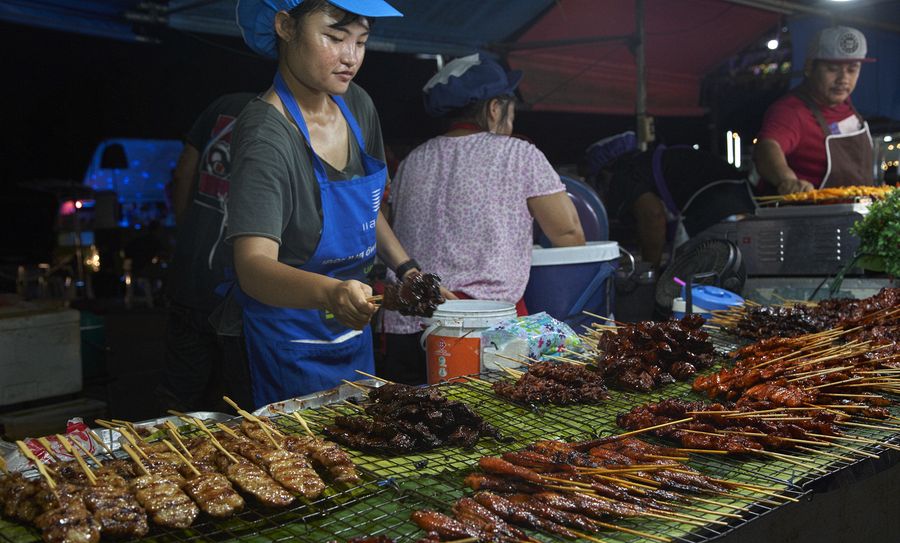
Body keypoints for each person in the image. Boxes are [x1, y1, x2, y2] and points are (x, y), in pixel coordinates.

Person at [219, 0, 412, 408]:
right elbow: (253, 267)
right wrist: (332, 293)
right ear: (285, 26)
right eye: (334, 37)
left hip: (351, 330)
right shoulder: (266, 133)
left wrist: (406, 268)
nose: (351, 58)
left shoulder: (357, 104)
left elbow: (367, 208)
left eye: (361, 42)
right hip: (287, 341)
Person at [380, 53, 585, 385]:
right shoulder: (518, 154)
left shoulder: (412, 161)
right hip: (487, 332)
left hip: (409, 323)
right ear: (494, 108)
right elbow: (570, 234)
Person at [156, 93, 255, 414]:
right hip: (242, 290)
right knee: (240, 407)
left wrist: (187, 231)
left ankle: (166, 458)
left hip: (191, 277)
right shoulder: (293, 115)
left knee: (179, 402)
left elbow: (183, 171)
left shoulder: (221, 105)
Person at [584, 131, 755, 268]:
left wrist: (650, 270)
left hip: (713, 207)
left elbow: (652, 217)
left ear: (604, 173)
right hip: (742, 199)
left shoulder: (623, 176)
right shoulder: (646, 162)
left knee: (679, 284)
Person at [754, 26, 876, 194]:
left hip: (853, 214)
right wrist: (786, 179)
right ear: (809, 67)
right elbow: (767, 147)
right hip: (805, 217)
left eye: (852, 69)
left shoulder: (846, 104)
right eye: (832, 69)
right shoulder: (790, 111)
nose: (843, 79)